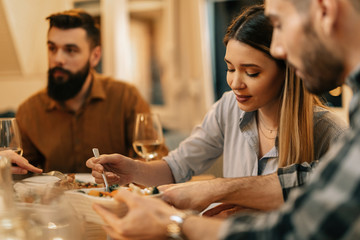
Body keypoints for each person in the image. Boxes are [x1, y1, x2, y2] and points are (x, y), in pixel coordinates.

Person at [92, 0, 360, 239]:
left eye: (252, 72)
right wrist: (135, 171)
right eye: (230, 68)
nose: (234, 83)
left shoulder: (333, 133)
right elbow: (303, 182)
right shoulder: (229, 108)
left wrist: (177, 223)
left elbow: (299, 227)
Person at [15, 9, 163, 173]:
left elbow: (155, 159)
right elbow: (22, 176)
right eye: (52, 48)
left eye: (70, 50)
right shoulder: (29, 111)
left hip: (115, 197)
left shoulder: (126, 97)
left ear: (95, 56)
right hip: (56, 198)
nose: (58, 59)